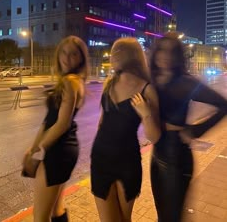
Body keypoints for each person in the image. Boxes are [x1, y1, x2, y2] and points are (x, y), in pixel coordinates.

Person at [149, 32, 227, 222]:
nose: (165, 56)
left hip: (176, 157)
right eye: (162, 51)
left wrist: (195, 131)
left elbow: (223, 105)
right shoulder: (153, 80)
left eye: (171, 52)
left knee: (173, 218)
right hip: (156, 155)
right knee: (163, 216)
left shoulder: (185, 82)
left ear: (178, 57)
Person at [90, 37, 160, 222]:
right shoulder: (110, 84)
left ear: (132, 56)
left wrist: (146, 114)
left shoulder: (146, 89)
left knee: (123, 219)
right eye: (113, 51)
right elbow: (102, 122)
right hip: (101, 160)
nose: (113, 55)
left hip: (127, 162)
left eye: (118, 51)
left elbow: (155, 137)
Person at [23, 36, 89, 222]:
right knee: (56, 210)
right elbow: (48, 121)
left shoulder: (70, 81)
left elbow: (61, 124)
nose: (67, 58)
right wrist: (33, 148)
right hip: (64, 149)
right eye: (64, 53)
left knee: (40, 216)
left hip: (58, 150)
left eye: (74, 54)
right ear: (58, 55)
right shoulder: (75, 81)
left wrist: (36, 153)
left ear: (81, 58)